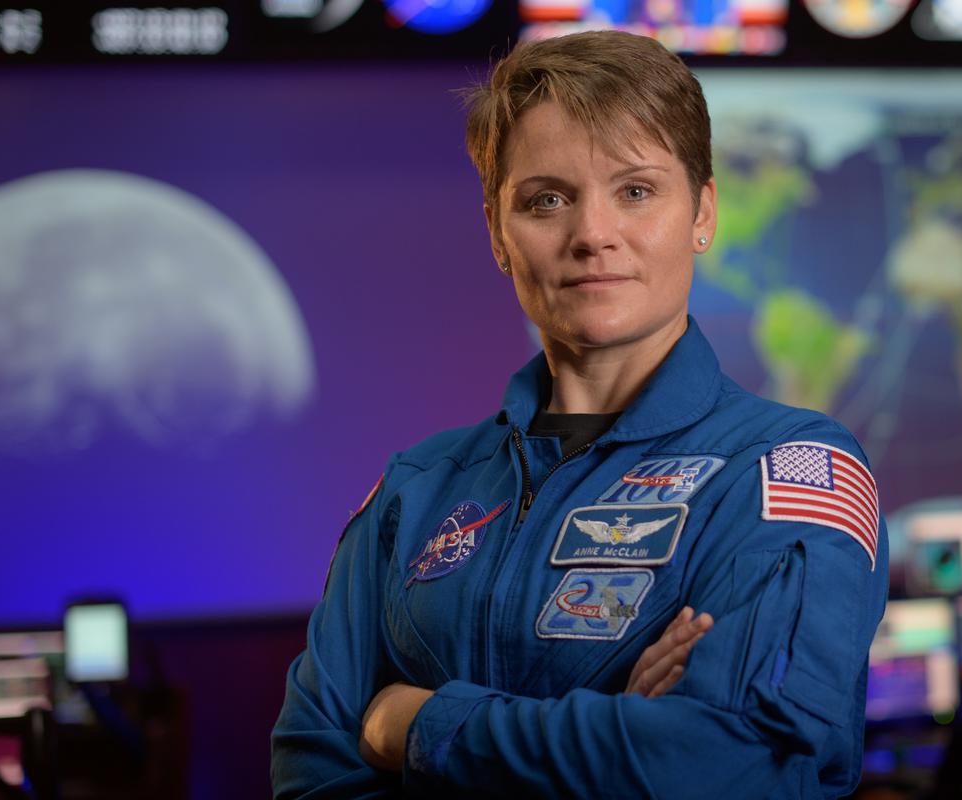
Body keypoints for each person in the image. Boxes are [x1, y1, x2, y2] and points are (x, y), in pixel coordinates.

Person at [271, 29, 889, 799]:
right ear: (498, 234)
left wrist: (419, 726)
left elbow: (730, 763)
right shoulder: (416, 492)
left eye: (636, 191)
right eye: (547, 200)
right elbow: (311, 773)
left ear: (702, 213)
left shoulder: (788, 472)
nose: (593, 235)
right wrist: (616, 730)